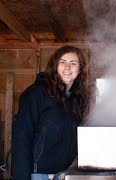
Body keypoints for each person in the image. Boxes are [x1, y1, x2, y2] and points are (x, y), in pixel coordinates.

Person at [12, 45, 94, 180]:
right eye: (62, 62)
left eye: (73, 63)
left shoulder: (75, 98)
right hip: (38, 174)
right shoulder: (36, 94)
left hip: (62, 173)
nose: (67, 67)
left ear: (79, 70)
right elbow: (22, 137)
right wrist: (22, 176)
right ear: (55, 66)